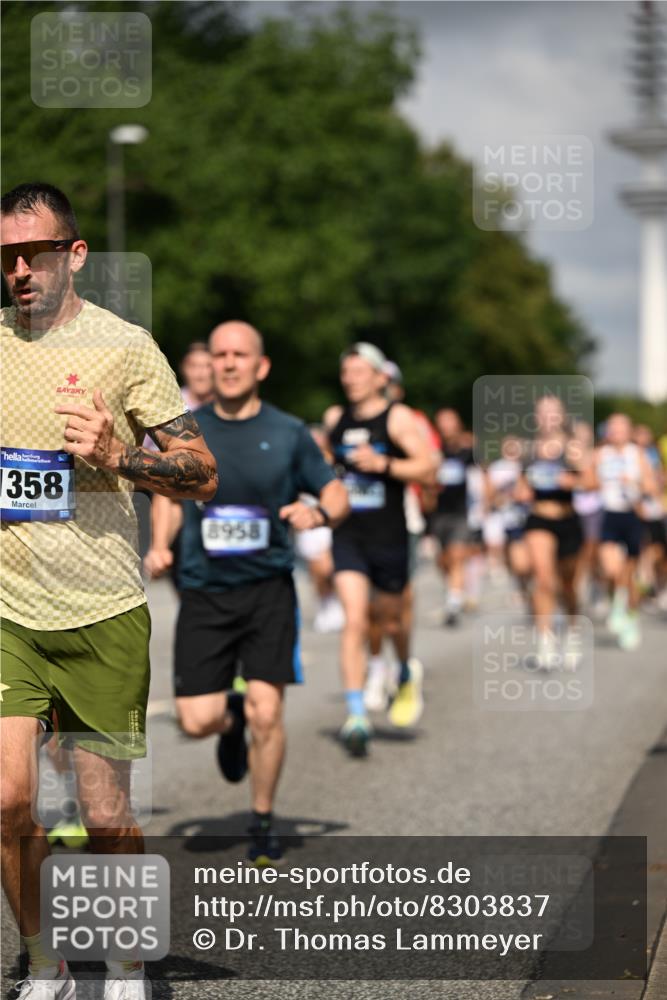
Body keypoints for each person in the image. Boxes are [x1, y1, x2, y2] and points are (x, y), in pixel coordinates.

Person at [0, 183, 218, 1000]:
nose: (19, 271)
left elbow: (202, 473)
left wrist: (114, 453)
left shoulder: (125, 348)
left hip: (101, 612)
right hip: (7, 612)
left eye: (36, 253)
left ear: (75, 254)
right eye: (5, 258)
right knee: (8, 801)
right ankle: (48, 960)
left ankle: (125, 961)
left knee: (105, 817)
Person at [144, 321, 348, 862]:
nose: (229, 362)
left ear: (261, 366)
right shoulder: (187, 432)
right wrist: (161, 544)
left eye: (240, 354)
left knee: (269, 712)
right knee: (196, 721)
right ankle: (228, 718)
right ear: (209, 365)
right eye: (220, 354)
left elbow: (334, 489)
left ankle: (261, 817)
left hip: (267, 591)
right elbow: (167, 492)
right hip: (204, 592)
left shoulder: (287, 432)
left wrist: (319, 510)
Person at [323, 343, 435, 756]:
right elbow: (324, 463)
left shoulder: (398, 417)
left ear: (378, 377)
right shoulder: (337, 418)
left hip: (389, 534)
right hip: (348, 534)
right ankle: (356, 714)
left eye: (357, 371)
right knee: (356, 620)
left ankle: (406, 670)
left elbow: (428, 465)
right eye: (345, 371)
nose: (349, 378)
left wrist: (385, 465)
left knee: (392, 621)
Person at [363, 362, 441, 712]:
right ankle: (377, 667)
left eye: (392, 383)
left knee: (395, 604)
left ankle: (403, 664)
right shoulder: (353, 416)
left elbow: (430, 468)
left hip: (402, 521)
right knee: (366, 606)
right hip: (361, 522)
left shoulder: (411, 420)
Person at [517, 395, 588, 669]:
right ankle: (545, 640)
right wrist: (521, 492)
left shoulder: (573, 448)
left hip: (567, 519)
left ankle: (571, 630)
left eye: (553, 413)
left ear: (562, 417)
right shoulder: (529, 450)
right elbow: (521, 486)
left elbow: (591, 481)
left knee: (568, 586)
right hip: (538, 519)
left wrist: (572, 480)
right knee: (544, 579)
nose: (547, 418)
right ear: (536, 418)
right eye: (542, 413)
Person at [593, 413, 657, 650]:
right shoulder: (600, 455)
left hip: (632, 515)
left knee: (630, 574)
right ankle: (617, 603)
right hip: (609, 515)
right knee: (611, 569)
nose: (617, 432)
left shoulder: (637, 454)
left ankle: (631, 618)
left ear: (628, 431)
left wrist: (635, 483)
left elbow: (652, 486)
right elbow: (587, 481)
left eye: (621, 428)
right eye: (613, 428)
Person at [430, 409, 475, 626]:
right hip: (438, 513)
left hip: (460, 512)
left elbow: (483, 474)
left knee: (457, 556)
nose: (446, 426)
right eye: (442, 422)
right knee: (443, 561)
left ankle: (453, 604)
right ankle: (455, 591)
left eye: (450, 421)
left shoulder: (467, 450)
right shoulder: (434, 451)